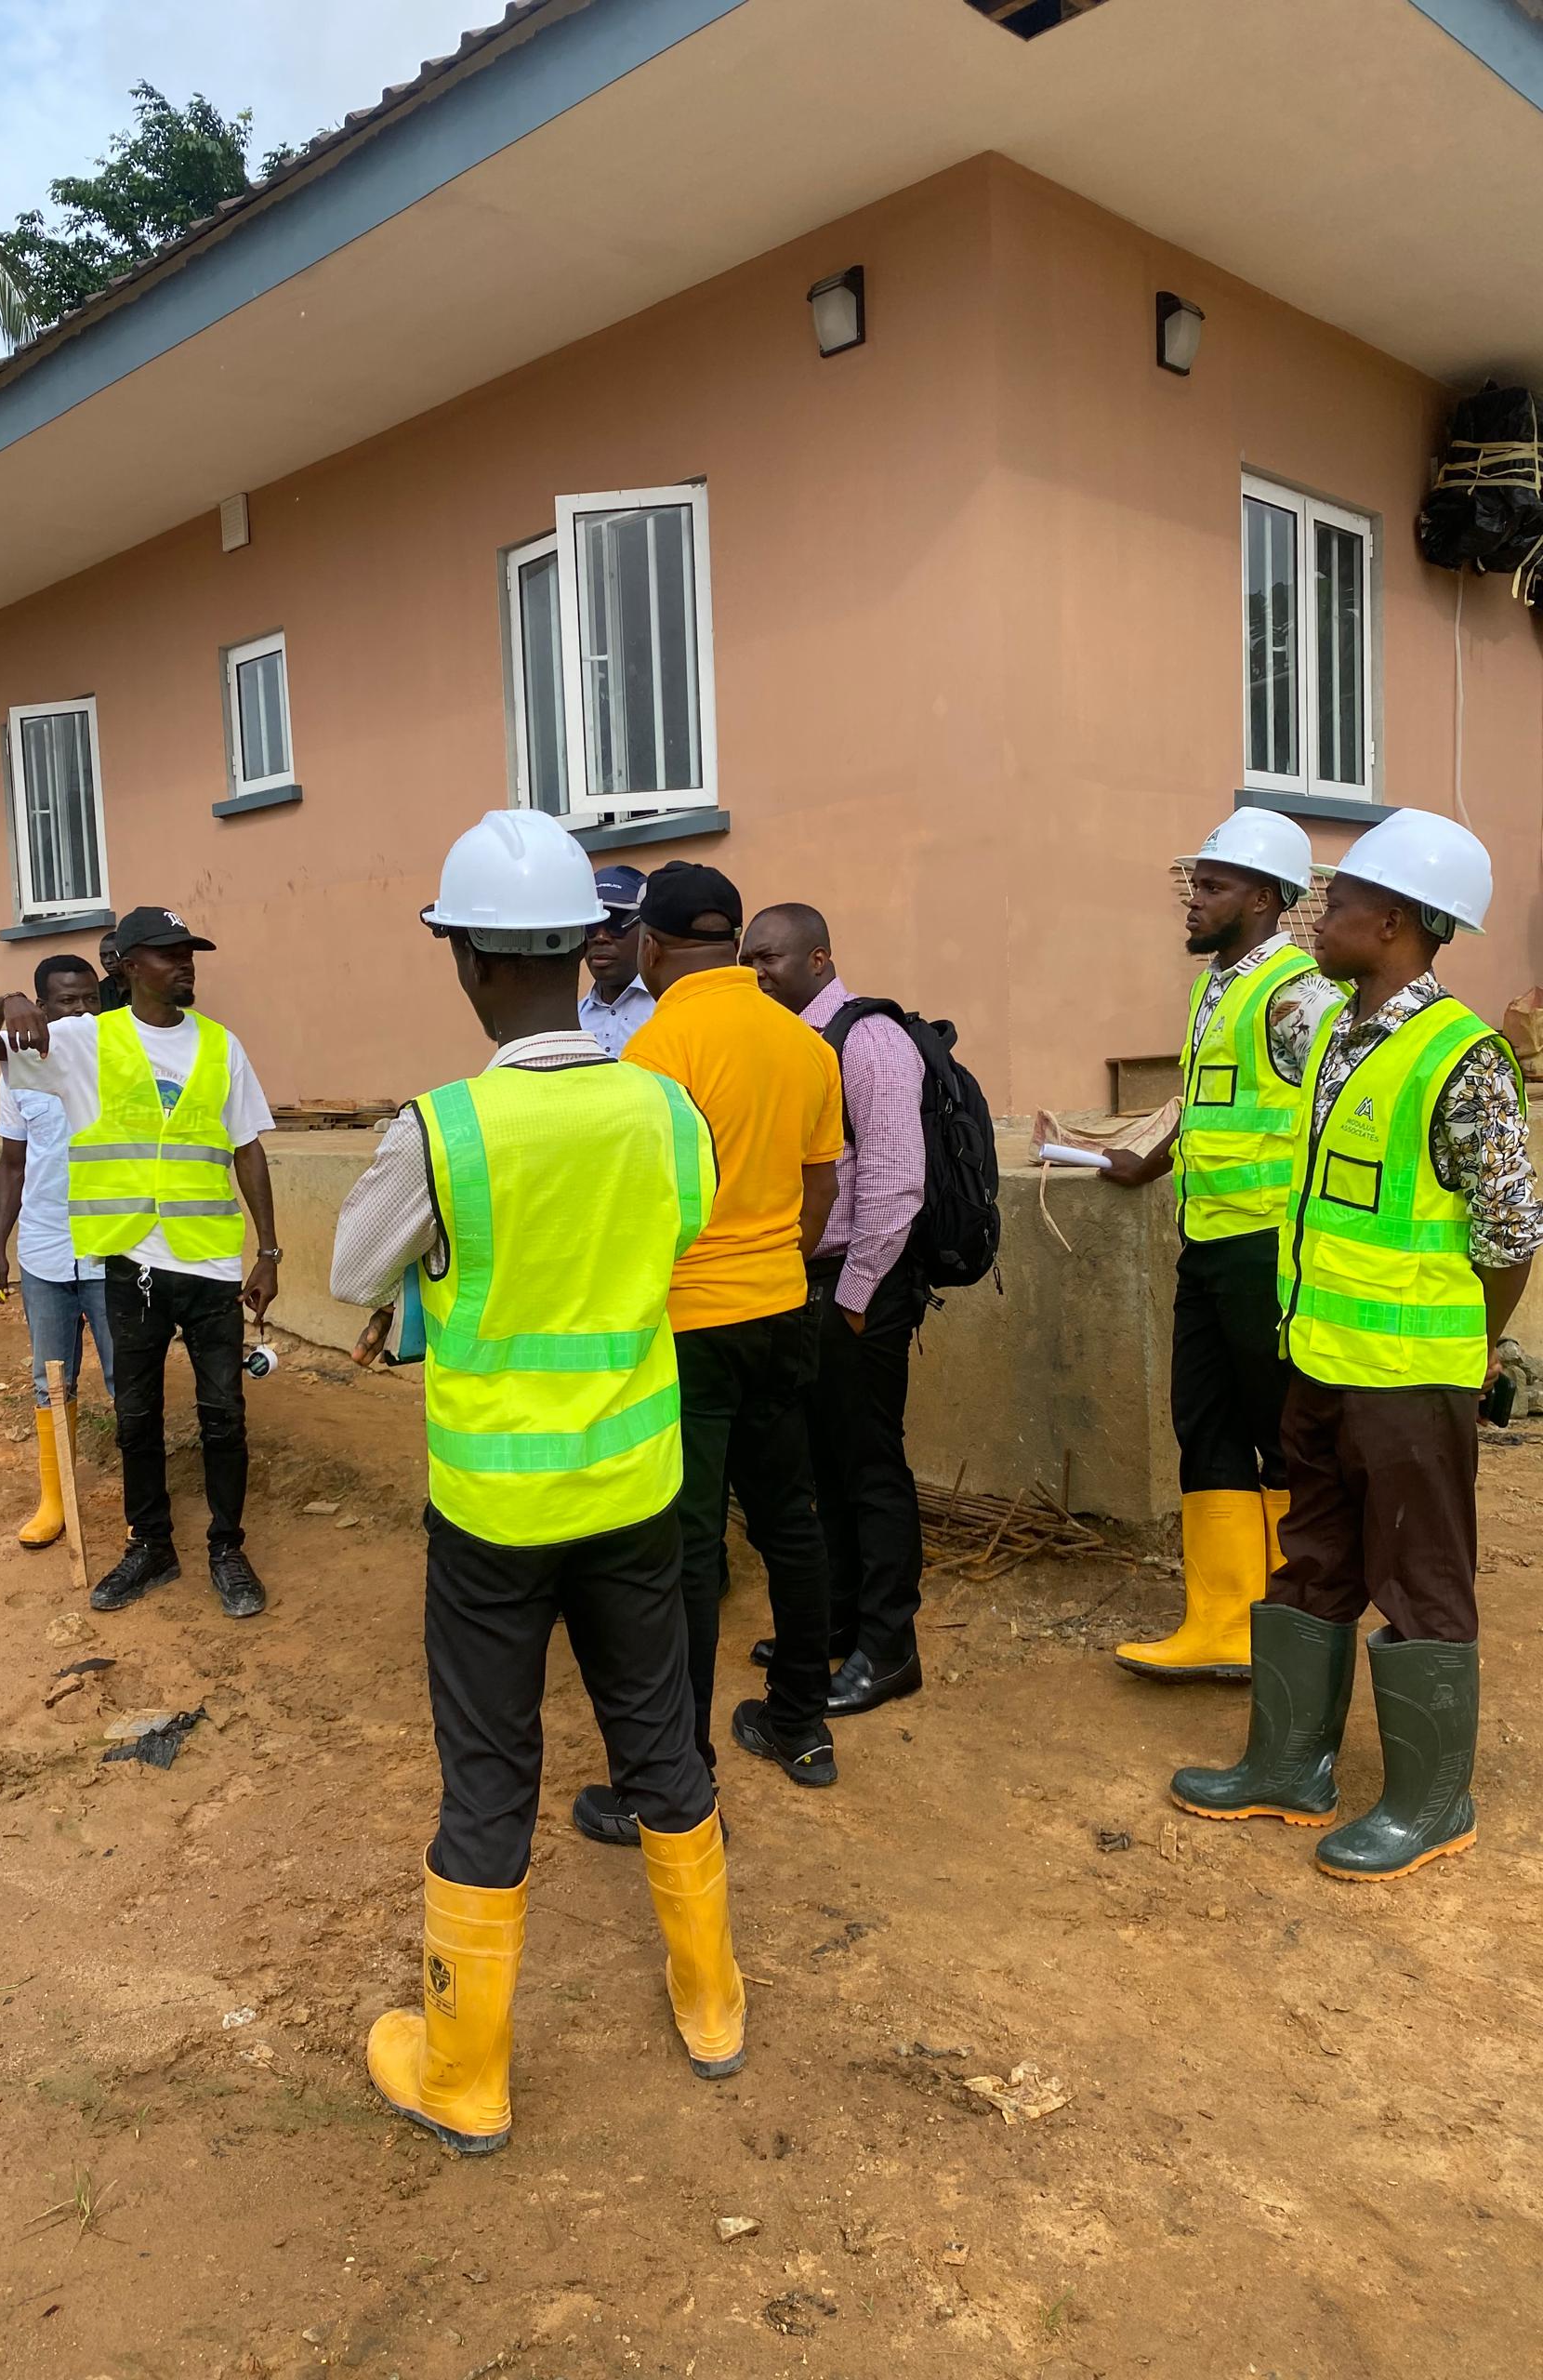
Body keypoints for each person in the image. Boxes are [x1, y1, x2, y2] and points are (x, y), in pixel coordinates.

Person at [329, 808, 742, 2156]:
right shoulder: (664, 1108)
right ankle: (713, 2005)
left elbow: (351, 1278)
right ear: (589, 948)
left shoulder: (442, 1132)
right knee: (660, 1741)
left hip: (495, 1517)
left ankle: (465, 2077)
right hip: (635, 1493)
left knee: (491, 1779)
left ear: (465, 963)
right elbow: (683, 1227)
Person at [1171, 810, 1539, 1881]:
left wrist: (1476, 1348)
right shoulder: (1335, 1032)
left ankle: (1433, 1804)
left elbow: (1510, 1234)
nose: (1315, 916)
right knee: (1313, 1563)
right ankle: (1292, 1767)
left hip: (1411, 1380)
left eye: (1338, 904)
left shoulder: (1461, 1057)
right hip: (1319, 1361)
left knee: (1423, 1581)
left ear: (1394, 925)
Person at [574, 860, 845, 1845]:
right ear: (734, 941)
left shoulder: (655, 1048)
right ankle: (801, 1722)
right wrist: (774, 1261)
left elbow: (635, 1200)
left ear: (650, 943)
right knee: (790, 1518)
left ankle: (674, 1771)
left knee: (685, 1549)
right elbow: (820, 1196)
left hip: (689, 1324)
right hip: (781, 1306)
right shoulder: (805, 1042)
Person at [0, 906, 282, 1620]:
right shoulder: (82, 1041)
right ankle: (151, 1546)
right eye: (168, 954)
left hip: (212, 1264)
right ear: (128, 967)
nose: (186, 964)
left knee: (224, 1414)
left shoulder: (222, 1046)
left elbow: (248, 1148)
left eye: (190, 952)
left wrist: (269, 1251)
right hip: (129, 1262)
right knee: (136, 1417)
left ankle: (227, 1548)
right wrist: (7, 1003)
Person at [1103, 813, 1339, 1678]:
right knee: (1201, 1422)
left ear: (1265, 898)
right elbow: (1211, 1108)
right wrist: (1149, 1158)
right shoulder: (1219, 987)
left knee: (1281, 1434)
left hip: (1269, 1252)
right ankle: (1219, 1624)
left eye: (1211, 887)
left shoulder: (1298, 996)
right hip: (1206, 1243)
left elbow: (1343, 1113)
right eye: (1195, 884)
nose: (1191, 902)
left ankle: (1290, 1622)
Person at [740, 903, 929, 1715]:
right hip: (808, 1285)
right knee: (821, 1470)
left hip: (863, 1288)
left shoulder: (868, 1042)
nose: (755, 973)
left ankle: (890, 1650)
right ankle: (838, 1623)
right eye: (747, 959)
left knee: (869, 1470)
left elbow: (895, 1186)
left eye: (770, 959)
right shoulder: (790, 1045)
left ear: (818, 959)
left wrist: (852, 1300)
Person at [0, 952, 115, 1548]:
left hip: (113, 1248)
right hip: (44, 1252)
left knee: (128, 1379)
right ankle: (53, 1500)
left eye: (90, 998)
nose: (82, 1011)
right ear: (40, 1006)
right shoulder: (15, 1068)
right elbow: (12, 1166)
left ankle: (145, 1503)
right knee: (50, 1381)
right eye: (67, 1001)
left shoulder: (117, 1060)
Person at [576, 864, 655, 1057]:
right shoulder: (573, 1022)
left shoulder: (664, 1010)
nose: (600, 937)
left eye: (615, 923)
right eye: (591, 925)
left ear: (646, 929)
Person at [97, 929, 130, 1012]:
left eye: (113, 954)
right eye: (103, 956)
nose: (108, 961)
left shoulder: (144, 987)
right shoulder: (99, 990)